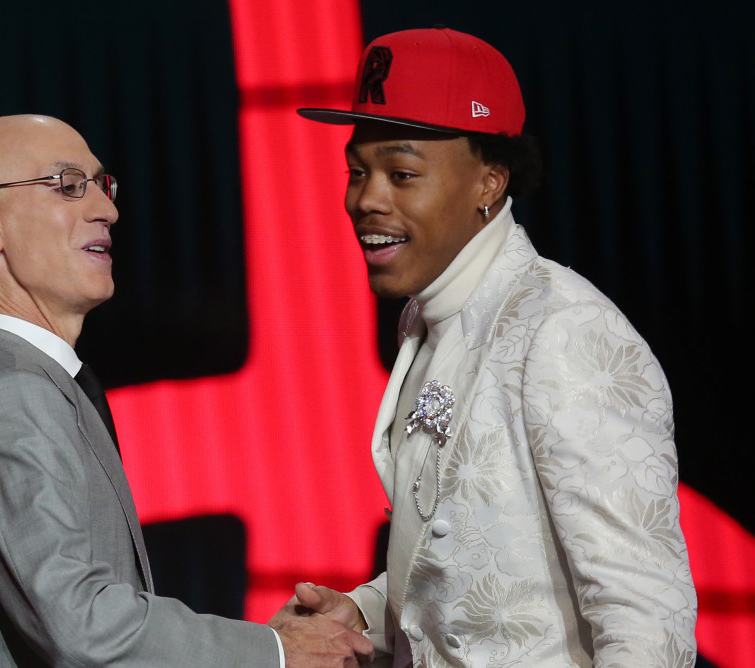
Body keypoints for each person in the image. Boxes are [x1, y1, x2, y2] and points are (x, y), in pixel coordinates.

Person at [0, 114, 373, 667]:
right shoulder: (12, 397)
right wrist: (272, 653)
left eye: (102, 184)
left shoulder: (9, 387)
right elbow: (83, 629)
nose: (106, 209)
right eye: (68, 184)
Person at [293, 28, 698, 666]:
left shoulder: (564, 332)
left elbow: (647, 621)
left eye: (401, 173)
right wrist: (370, 611)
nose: (366, 199)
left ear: (489, 181)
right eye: (357, 171)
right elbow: (472, 555)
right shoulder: (425, 320)